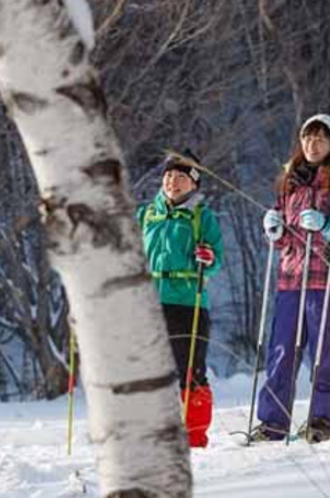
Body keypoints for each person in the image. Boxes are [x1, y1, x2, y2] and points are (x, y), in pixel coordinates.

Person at [251, 115, 330, 443]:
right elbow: (283, 237)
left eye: (320, 139)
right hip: (291, 279)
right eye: (308, 138)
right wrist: (274, 231)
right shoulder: (290, 181)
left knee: (325, 354)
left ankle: (322, 419)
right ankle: (272, 423)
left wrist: (327, 226)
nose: (312, 145)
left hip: (328, 279)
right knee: (281, 351)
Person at [137, 150, 223, 448]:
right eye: (169, 175)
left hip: (188, 301)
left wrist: (208, 258)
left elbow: (217, 259)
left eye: (182, 177)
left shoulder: (202, 217)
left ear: (194, 184)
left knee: (190, 369)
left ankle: (194, 435)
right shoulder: (147, 214)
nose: (173, 181)